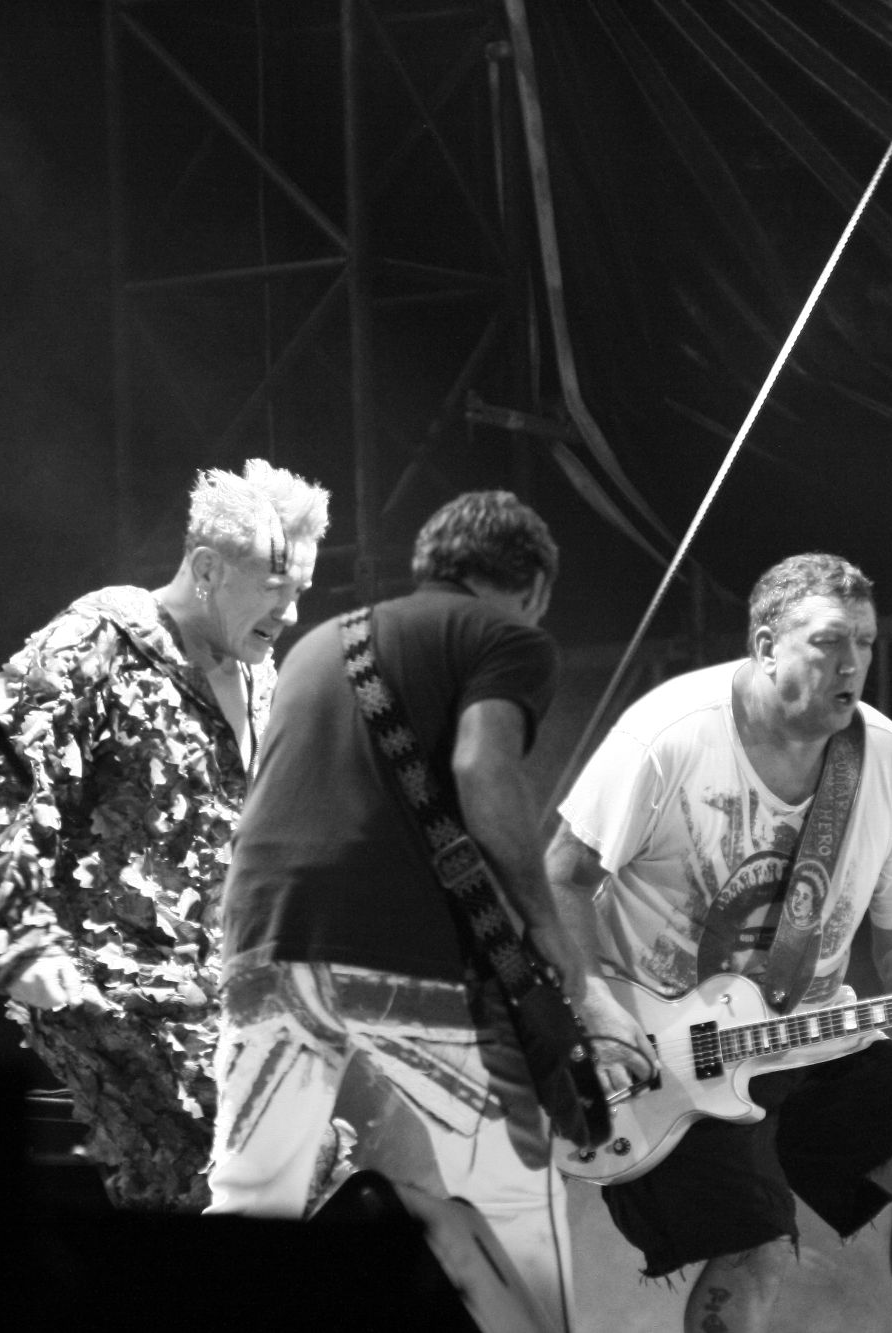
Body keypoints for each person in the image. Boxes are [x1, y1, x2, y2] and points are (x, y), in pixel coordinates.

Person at [206, 491, 652, 1329]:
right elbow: (484, 771)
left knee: (249, 1201)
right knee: (510, 1193)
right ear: (534, 586)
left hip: (260, 946)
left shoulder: (315, 646)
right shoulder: (507, 637)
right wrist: (553, 940)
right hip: (395, 952)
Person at [548, 551, 892, 1332]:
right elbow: (560, 878)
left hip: (804, 1033)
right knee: (759, 1250)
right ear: (765, 646)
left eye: (864, 641)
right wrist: (597, 1011)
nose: (850, 663)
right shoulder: (670, 737)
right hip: (660, 1057)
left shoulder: (890, 764)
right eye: (827, 641)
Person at [0, 458, 329, 1211]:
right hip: (118, 984)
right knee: (255, 1156)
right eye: (276, 588)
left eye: (301, 592)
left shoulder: (261, 677)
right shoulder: (101, 639)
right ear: (207, 569)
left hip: (227, 986)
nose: (290, 612)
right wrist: (14, 934)